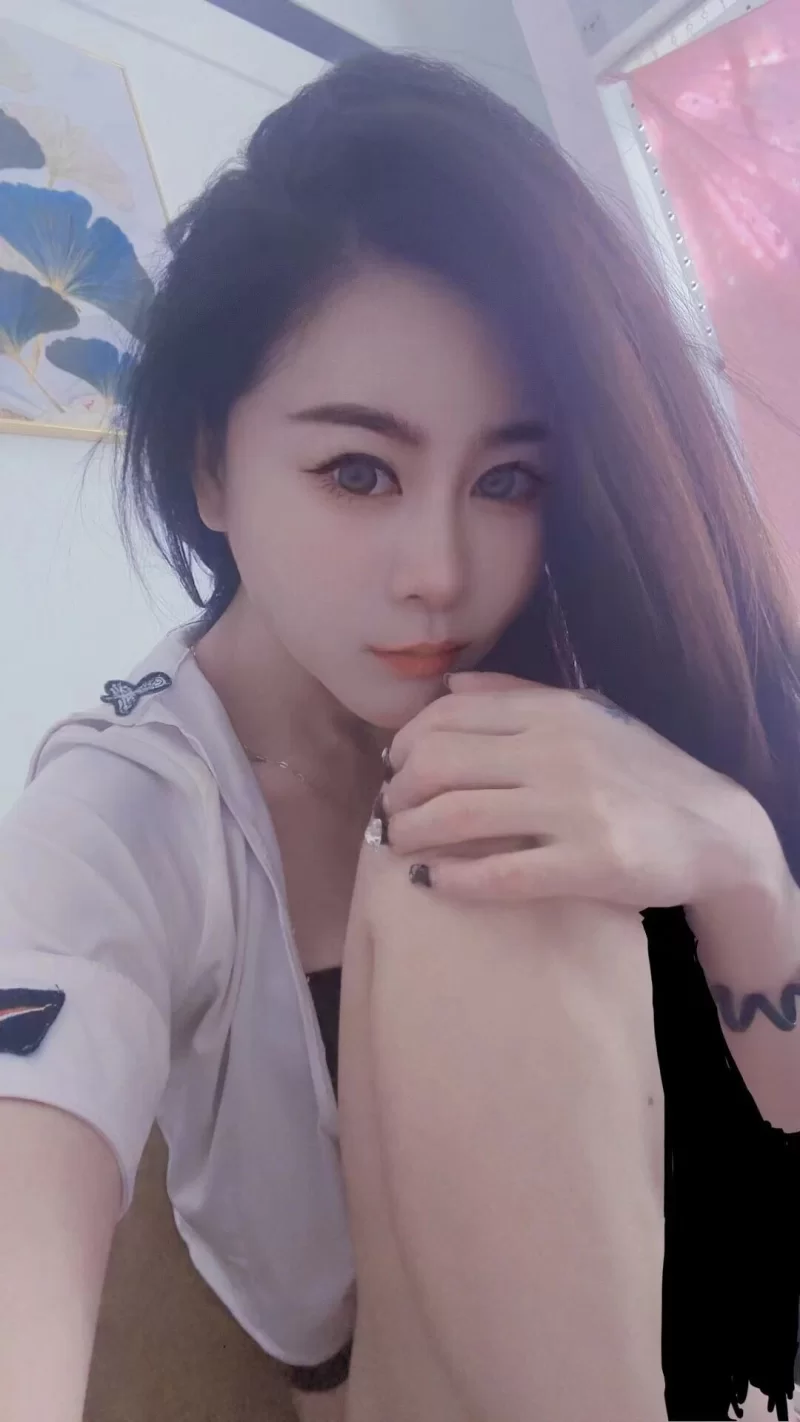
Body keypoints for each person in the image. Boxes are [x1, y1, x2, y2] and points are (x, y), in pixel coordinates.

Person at [1, 49, 799, 1422]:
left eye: (508, 479)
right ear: (210, 465)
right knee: (471, 873)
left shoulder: (568, 685)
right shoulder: (133, 804)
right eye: (358, 470)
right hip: (408, 1376)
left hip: (691, 1292)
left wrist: (735, 858)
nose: (441, 571)